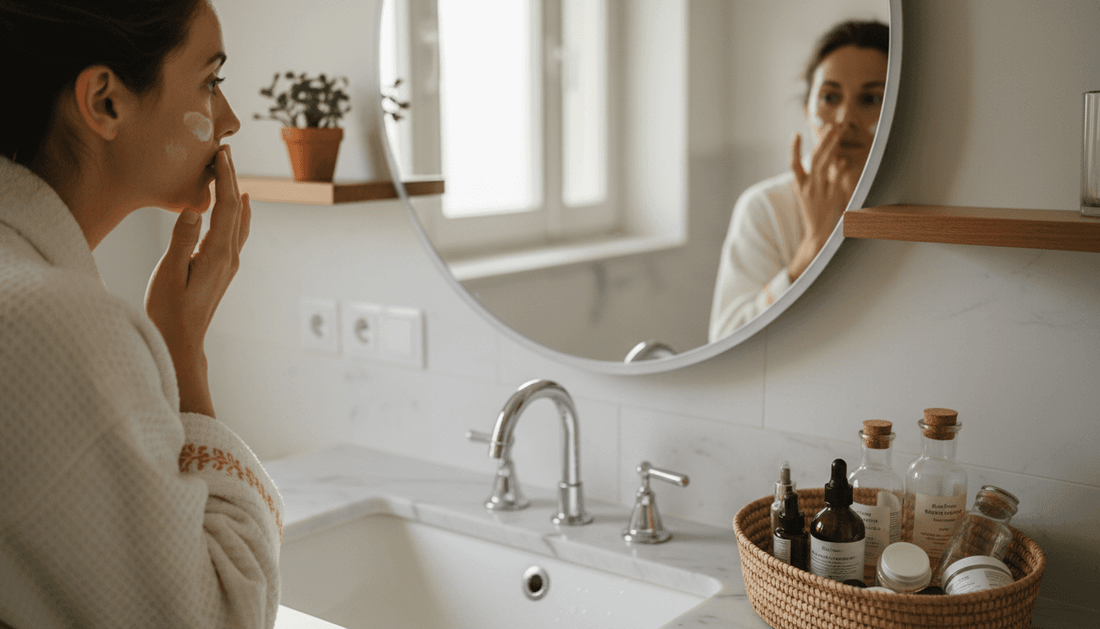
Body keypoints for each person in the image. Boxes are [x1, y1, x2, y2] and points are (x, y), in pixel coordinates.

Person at [0, 1, 282, 627]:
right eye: (211, 82)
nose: (229, 121)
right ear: (105, 101)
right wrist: (184, 352)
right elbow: (225, 615)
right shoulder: (55, 325)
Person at [709, 20, 889, 342]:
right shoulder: (765, 208)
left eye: (871, 100)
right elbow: (725, 340)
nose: (845, 118)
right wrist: (812, 248)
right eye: (830, 97)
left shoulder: (912, 211)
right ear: (808, 109)